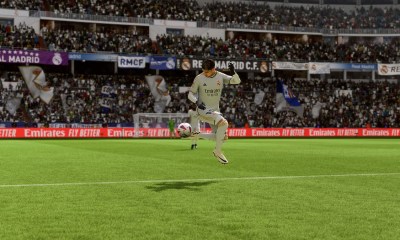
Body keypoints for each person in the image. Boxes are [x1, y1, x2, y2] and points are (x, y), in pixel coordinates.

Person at [187, 59, 241, 164]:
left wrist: (233, 72)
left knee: (222, 137)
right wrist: (196, 102)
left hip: (215, 111)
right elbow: (190, 94)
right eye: (203, 71)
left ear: (213, 69)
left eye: (207, 71)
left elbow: (236, 81)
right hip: (203, 109)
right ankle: (218, 151)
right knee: (224, 123)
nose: (204, 73)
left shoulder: (220, 76)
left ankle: (198, 135)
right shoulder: (199, 78)